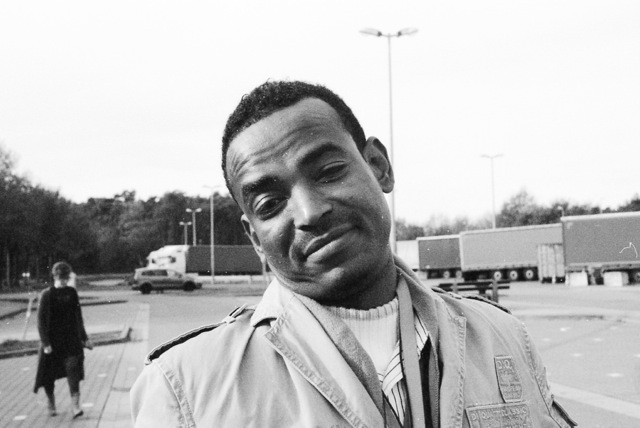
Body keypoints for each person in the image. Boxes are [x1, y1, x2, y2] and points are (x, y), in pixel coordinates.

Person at [131, 81, 577, 427]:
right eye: (270, 204)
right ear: (254, 237)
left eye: (328, 172)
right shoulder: (183, 387)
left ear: (378, 166)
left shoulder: (502, 335)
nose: (309, 212)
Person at [33, 261, 93, 418]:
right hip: (52, 342)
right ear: (54, 277)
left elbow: (78, 317)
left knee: (73, 371)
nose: (64, 281)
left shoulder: (72, 293)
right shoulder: (47, 295)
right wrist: (45, 343)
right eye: (61, 278)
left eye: (66, 278)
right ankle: (51, 403)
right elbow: (41, 321)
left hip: (71, 341)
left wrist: (84, 338)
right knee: (48, 375)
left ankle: (75, 406)